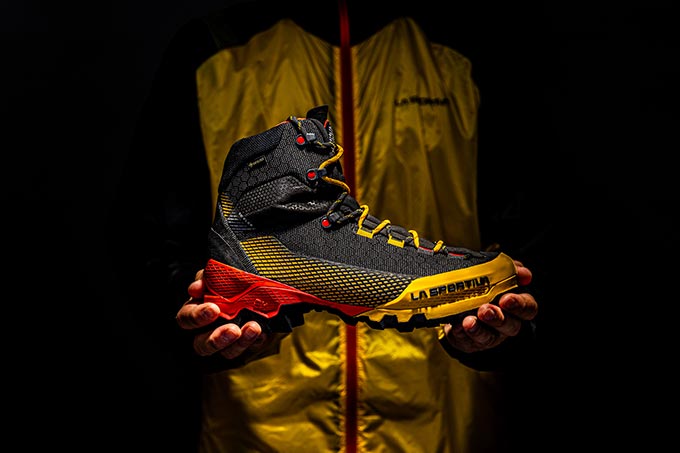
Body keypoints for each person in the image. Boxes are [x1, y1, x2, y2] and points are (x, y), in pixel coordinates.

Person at [112, 1, 541, 452]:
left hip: (440, 428)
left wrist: (506, 334)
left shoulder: (467, 47)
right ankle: (265, 271)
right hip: (258, 432)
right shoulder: (212, 48)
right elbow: (147, 235)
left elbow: (534, 233)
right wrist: (203, 322)